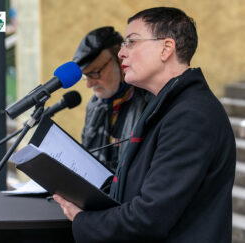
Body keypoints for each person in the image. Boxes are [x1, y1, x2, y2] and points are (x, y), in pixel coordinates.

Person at [54, 7, 236, 243]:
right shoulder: (167, 103)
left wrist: (82, 221)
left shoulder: (191, 115)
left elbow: (149, 217)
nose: (121, 54)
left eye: (131, 42)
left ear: (166, 48)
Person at [73, 26, 150, 172]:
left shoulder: (149, 103)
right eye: (85, 76)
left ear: (120, 62)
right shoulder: (94, 105)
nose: (89, 84)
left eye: (95, 73)